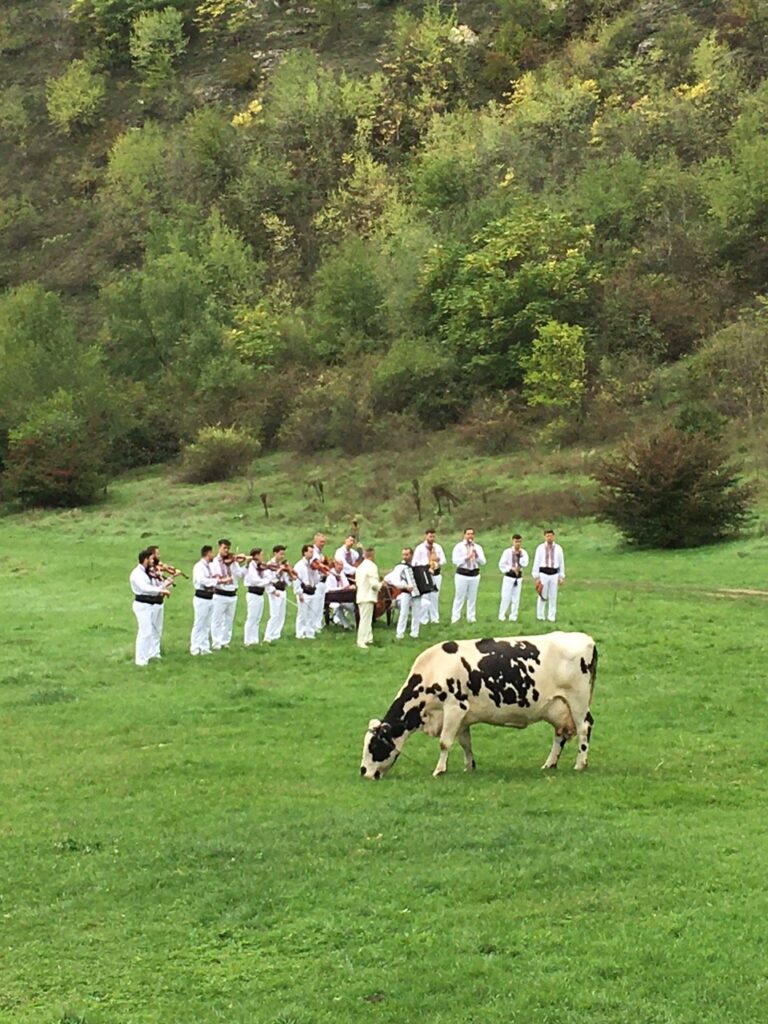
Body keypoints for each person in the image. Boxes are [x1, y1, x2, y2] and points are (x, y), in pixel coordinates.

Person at [130, 548, 171, 666]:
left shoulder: (147, 572)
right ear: (145, 560)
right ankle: (141, 660)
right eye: (151, 559)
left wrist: (165, 584)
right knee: (145, 632)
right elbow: (145, 588)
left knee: (153, 631)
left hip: (151, 604)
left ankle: (151, 654)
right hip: (142, 604)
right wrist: (161, 590)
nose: (153, 562)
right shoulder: (137, 574)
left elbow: (153, 587)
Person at [210, 539, 245, 650]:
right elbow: (216, 575)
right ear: (219, 548)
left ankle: (225, 641)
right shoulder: (215, 562)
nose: (226, 550)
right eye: (224, 548)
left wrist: (237, 563)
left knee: (229, 620)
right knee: (217, 619)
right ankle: (216, 642)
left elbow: (239, 574)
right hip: (220, 593)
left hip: (232, 593)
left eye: (228, 548)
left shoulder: (232, 561)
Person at [451, 528, 486, 625]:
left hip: (474, 574)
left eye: (472, 534)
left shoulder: (477, 547)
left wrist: (477, 556)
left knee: (472, 597)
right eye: (468, 534)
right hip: (462, 574)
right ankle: (455, 618)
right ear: (464, 535)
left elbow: (483, 562)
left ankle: (471, 617)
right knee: (459, 596)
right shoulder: (459, 547)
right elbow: (455, 561)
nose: (470, 536)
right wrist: (467, 557)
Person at [384, 547, 421, 640]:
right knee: (403, 612)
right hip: (405, 591)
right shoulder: (400, 567)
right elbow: (394, 580)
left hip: (417, 591)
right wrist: (405, 586)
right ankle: (400, 633)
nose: (405, 556)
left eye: (407, 554)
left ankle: (415, 633)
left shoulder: (417, 564)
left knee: (416, 612)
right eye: (403, 554)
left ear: (411, 555)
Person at [412, 529, 447, 625]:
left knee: (435, 596)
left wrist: (437, 560)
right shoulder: (420, 548)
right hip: (424, 574)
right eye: (430, 536)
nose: (432, 538)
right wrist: (425, 565)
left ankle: (434, 618)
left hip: (436, 573)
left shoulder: (438, 547)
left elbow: (444, 560)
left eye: (433, 536)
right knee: (425, 596)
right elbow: (415, 562)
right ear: (426, 536)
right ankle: (423, 618)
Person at [532, 528, 566, 623]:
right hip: (543, 573)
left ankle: (551, 617)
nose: (549, 538)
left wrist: (561, 575)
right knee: (542, 595)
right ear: (544, 537)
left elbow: (561, 562)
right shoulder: (540, 548)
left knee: (553, 596)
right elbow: (536, 561)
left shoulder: (558, 548)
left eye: (550, 536)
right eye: (547, 536)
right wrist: (536, 576)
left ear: (553, 536)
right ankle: (540, 616)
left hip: (554, 573)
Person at [190, 544, 217, 655]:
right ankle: (195, 647)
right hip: (201, 597)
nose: (213, 555)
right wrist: (215, 581)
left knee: (207, 624)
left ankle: (204, 646)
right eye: (212, 553)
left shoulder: (209, 566)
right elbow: (202, 580)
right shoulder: (199, 567)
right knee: (199, 623)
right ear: (208, 553)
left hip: (210, 597)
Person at [498, 534, 529, 624]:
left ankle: (513, 616)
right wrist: (510, 568)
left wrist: (520, 557)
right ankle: (502, 615)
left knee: (516, 598)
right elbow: (502, 564)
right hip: (509, 576)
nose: (518, 544)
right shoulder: (507, 552)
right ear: (513, 541)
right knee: (505, 596)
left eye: (519, 542)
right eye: (516, 541)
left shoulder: (523, 553)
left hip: (518, 577)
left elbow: (525, 563)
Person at [263, 545, 291, 643]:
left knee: (281, 614)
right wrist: (272, 590)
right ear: (275, 553)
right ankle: (268, 636)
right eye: (280, 554)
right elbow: (268, 579)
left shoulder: (281, 565)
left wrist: (287, 572)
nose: (282, 556)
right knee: (274, 614)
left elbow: (286, 579)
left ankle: (276, 634)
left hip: (283, 590)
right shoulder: (269, 565)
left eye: (283, 554)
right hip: (275, 591)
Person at [356, 546, 381, 649]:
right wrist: (380, 586)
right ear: (372, 555)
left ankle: (368, 637)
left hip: (361, 595)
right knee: (365, 620)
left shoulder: (360, 567)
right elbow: (373, 583)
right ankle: (361, 641)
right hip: (367, 595)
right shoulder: (371, 566)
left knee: (366, 618)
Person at [243, 548, 268, 646]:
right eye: (261, 555)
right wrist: (267, 582)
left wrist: (267, 580)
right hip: (253, 593)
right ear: (256, 555)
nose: (262, 557)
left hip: (260, 593)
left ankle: (254, 639)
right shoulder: (251, 566)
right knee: (252, 617)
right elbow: (255, 580)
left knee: (257, 618)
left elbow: (266, 576)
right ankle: (248, 640)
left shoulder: (260, 566)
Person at [294, 544, 320, 639]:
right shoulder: (299, 565)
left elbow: (316, 579)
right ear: (305, 552)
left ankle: (310, 632)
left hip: (312, 590)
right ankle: (300, 633)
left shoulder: (312, 565)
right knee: (302, 614)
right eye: (310, 552)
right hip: (304, 591)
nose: (311, 554)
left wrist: (316, 571)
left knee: (311, 614)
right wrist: (299, 592)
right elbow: (296, 579)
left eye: (312, 552)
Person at [325, 559, 356, 629]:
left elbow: (346, 584)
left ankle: (356, 623)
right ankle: (346, 625)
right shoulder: (331, 576)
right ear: (335, 565)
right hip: (334, 599)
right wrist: (341, 589)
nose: (341, 567)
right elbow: (328, 589)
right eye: (339, 565)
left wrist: (349, 587)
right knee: (338, 609)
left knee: (352, 608)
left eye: (342, 565)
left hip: (344, 597)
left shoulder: (342, 574)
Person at [310, 532, 329, 634]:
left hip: (323, 581)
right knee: (316, 604)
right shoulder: (313, 552)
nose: (323, 544)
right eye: (321, 542)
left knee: (320, 605)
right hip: (316, 581)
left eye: (324, 542)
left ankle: (318, 624)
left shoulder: (320, 553)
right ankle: (313, 625)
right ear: (315, 541)